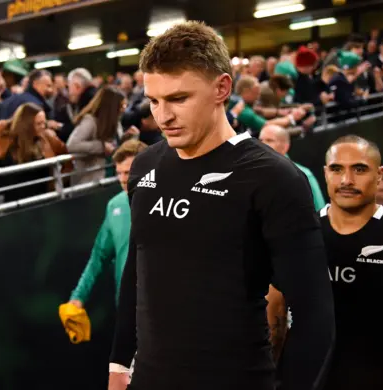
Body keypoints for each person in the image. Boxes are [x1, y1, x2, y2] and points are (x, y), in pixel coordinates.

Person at [108, 21, 335, 390]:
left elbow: (315, 315)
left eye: (179, 99)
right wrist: (119, 363)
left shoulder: (274, 176)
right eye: (154, 100)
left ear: (222, 88)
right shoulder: (145, 166)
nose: (163, 116)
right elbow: (137, 268)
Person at [269, 135, 383, 389]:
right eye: (336, 169)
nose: (346, 180)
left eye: (359, 169)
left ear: (379, 175)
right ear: (325, 173)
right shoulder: (297, 233)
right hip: (302, 377)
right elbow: (274, 313)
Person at [66, 140, 147, 311]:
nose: (123, 180)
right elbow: (99, 256)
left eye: (128, 172)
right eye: (119, 173)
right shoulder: (115, 206)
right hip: (128, 306)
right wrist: (78, 296)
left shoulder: (173, 201)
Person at [258, 124, 326, 211]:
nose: (262, 144)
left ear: (285, 146)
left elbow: (320, 210)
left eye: (269, 140)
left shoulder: (302, 174)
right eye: (260, 140)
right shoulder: (252, 173)